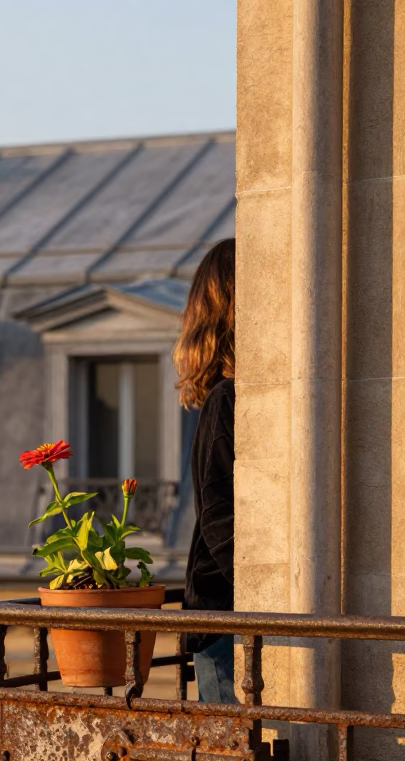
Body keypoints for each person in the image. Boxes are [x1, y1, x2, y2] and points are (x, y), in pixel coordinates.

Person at [173, 238, 236, 703]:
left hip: (228, 620)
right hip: (226, 622)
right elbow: (219, 515)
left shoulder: (230, 399)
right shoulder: (225, 400)